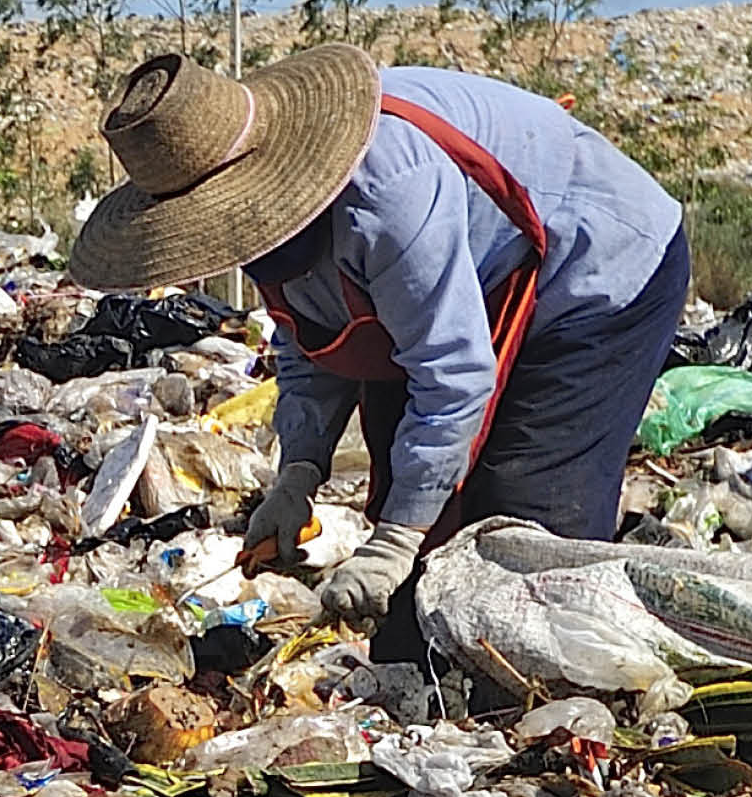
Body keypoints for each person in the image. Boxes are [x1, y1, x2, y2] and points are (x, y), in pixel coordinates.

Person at [71, 44, 688, 651]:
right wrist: (299, 473)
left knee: (523, 511)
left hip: (594, 270)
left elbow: (453, 376)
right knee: (405, 485)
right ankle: (420, 665)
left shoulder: (389, 193)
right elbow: (307, 343)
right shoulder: (276, 230)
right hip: (469, 284)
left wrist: (396, 544)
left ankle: (569, 683)